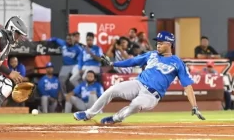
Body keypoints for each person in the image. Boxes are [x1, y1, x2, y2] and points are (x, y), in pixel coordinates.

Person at [73, 31, 206, 124]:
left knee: (136, 104)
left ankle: (116, 118)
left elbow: (187, 86)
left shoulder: (177, 63)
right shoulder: (152, 54)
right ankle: (88, 113)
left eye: (161, 42)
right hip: (138, 83)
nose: (158, 44)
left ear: (170, 44)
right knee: (112, 90)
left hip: (152, 95)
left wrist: (194, 106)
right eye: (157, 42)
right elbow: (133, 61)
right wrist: (113, 63)